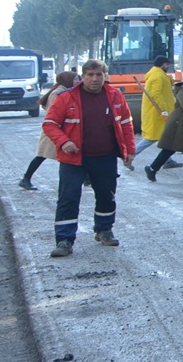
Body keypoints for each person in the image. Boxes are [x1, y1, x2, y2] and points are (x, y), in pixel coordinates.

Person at [41, 59, 137, 257]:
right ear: (82, 77)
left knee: (106, 195)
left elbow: (126, 124)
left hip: (105, 157)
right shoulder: (67, 97)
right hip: (73, 159)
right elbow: (49, 124)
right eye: (90, 75)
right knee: (68, 197)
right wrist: (64, 142)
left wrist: (130, 151)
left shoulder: (115, 96)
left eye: (98, 75)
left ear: (105, 76)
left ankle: (104, 230)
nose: (94, 79)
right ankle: (64, 240)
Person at [20, 71, 78, 189]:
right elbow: (54, 113)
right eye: (75, 79)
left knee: (70, 154)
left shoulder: (62, 91)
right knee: (42, 155)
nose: (77, 82)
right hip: (54, 130)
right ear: (67, 80)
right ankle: (26, 178)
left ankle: (86, 179)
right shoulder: (58, 93)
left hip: (60, 130)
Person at [139, 55, 175, 159]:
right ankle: (130, 155)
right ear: (163, 64)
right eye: (167, 64)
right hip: (158, 113)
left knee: (164, 137)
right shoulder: (157, 76)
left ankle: (168, 160)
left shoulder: (159, 75)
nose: (168, 66)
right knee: (152, 138)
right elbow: (156, 95)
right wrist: (163, 110)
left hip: (161, 112)